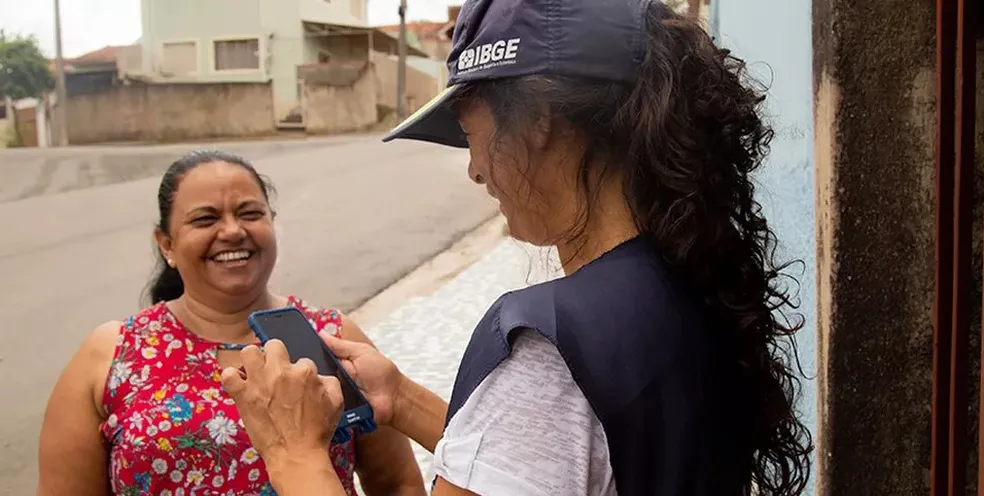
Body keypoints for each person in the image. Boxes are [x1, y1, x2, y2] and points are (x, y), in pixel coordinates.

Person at [223, 0, 815, 494]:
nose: (476, 172)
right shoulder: (686, 277)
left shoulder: (549, 346)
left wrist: (294, 451)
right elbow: (549, 462)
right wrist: (400, 398)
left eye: (473, 137)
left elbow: (546, 423)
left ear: (541, 121)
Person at [36, 149, 426, 496]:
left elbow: (397, 484)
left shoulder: (333, 338)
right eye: (205, 219)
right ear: (167, 244)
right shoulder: (111, 354)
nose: (233, 231)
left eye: (250, 213)